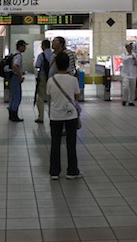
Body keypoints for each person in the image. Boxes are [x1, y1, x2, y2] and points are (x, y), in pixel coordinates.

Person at [47, 52, 82, 180]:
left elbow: (49, 95)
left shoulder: (51, 80)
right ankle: (72, 171)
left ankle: (54, 172)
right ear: (68, 65)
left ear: (55, 65)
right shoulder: (73, 80)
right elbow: (77, 96)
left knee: (55, 143)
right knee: (71, 143)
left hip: (55, 115)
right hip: (70, 115)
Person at [7, 39, 28, 122]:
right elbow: (15, 66)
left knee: (13, 96)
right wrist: (20, 76)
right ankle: (14, 115)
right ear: (20, 46)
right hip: (15, 78)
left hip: (12, 77)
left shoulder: (13, 54)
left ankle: (11, 114)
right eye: (24, 46)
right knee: (17, 97)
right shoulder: (18, 56)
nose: (25, 48)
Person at [34, 39, 53, 123]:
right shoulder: (54, 55)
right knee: (52, 98)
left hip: (43, 77)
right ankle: (52, 116)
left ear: (43, 46)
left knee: (40, 97)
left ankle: (41, 117)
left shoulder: (41, 56)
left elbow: (37, 65)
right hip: (53, 78)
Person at [120, 42, 137, 107]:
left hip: (133, 74)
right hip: (125, 74)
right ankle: (124, 99)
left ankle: (131, 101)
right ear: (126, 47)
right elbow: (125, 59)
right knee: (125, 87)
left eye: (131, 46)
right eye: (129, 46)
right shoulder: (124, 54)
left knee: (132, 88)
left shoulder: (135, 54)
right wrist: (131, 56)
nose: (131, 47)